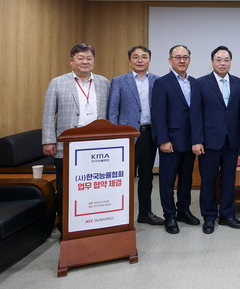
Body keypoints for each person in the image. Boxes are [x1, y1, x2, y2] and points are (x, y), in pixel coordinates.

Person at [42, 43, 111, 234]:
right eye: (80, 58)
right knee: (66, 188)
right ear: (71, 61)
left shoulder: (104, 83)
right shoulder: (57, 82)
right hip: (68, 145)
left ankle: (93, 221)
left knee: (94, 184)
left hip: (97, 146)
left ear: (94, 61)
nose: (85, 62)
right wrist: (48, 140)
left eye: (89, 58)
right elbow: (49, 114)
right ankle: (66, 226)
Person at [191, 45, 240, 233]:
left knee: (228, 179)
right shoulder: (200, 83)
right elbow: (196, 114)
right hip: (208, 141)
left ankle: (227, 215)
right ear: (212, 62)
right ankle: (208, 216)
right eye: (218, 59)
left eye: (226, 60)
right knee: (207, 180)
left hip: (231, 141)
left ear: (231, 62)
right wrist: (197, 140)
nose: (222, 63)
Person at [108, 46, 163, 226]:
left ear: (149, 60)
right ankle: (119, 215)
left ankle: (145, 213)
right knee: (125, 178)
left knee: (147, 177)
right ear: (129, 60)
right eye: (136, 57)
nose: (140, 60)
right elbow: (112, 112)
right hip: (127, 137)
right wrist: (115, 137)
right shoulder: (119, 81)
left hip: (149, 135)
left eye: (144, 57)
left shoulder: (157, 81)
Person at [151, 45, 199, 234]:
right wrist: (163, 139)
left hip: (191, 141)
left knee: (186, 179)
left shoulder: (195, 83)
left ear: (189, 60)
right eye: (177, 57)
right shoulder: (162, 83)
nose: (181, 60)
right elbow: (158, 114)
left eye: (185, 57)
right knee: (167, 181)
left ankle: (183, 210)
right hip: (170, 141)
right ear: (170, 60)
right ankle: (169, 215)